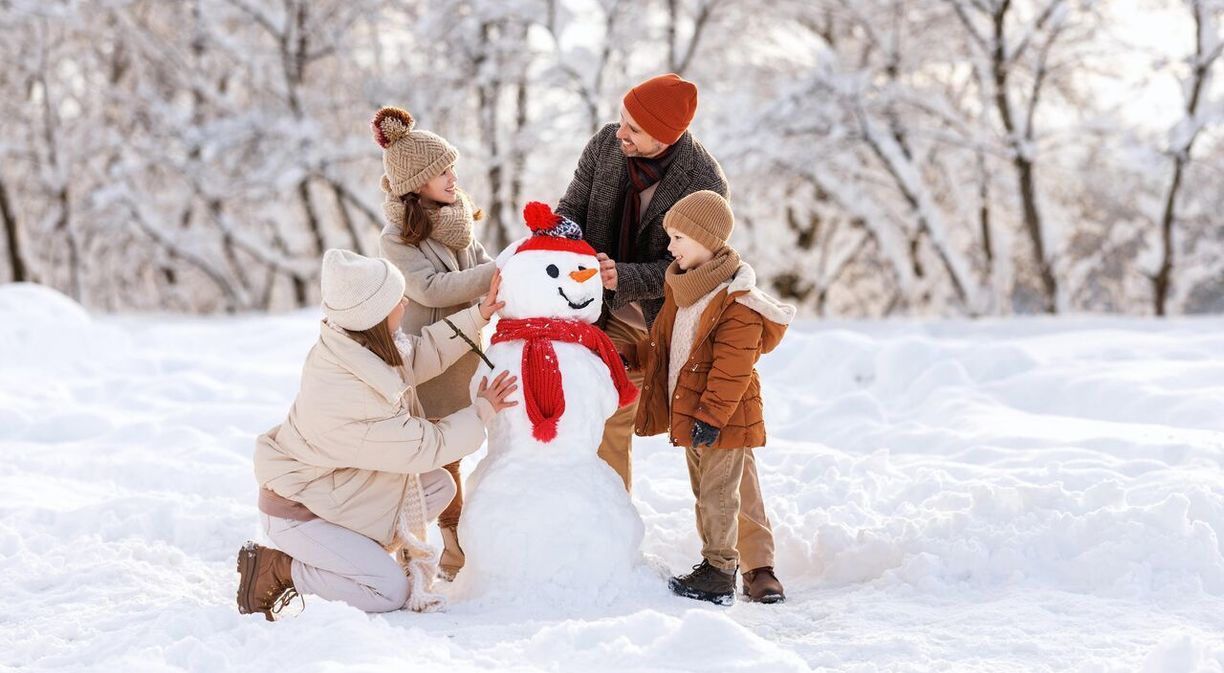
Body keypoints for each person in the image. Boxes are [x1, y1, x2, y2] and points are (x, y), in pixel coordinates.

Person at [235, 249, 516, 620]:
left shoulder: (360, 348)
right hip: (301, 513)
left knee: (438, 486)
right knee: (387, 591)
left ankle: (360, 556)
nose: (403, 303)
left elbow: (419, 355)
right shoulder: (348, 395)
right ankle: (279, 568)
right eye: (394, 300)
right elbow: (424, 446)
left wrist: (479, 314)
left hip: (338, 492)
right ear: (372, 316)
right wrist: (481, 410)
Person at [556, 72, 728, 494]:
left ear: (667, 136)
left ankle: (745, 551)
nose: (621, 133)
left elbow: (693, 268)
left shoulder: (704, 182)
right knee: (607, 412)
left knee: (713, 430)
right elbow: (573, 206)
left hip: (671, 318)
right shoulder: (605, 146)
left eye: (634, 128)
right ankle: (609, 527)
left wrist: (625, 275)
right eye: (621, 119)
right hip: (608, 312)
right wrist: (555, 236)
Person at [623, 191, 794, 604]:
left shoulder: (738, 301)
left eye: (678, 237)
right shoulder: (685, 292)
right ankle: (714, 562)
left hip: (721, 417)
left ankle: (720, 571)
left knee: (719, 495)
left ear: (706, 239)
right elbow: (667, 347)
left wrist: (712, 416)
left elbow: (731, 369)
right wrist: (628, 355)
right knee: (706, 493)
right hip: (692, 412)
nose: (669, 246)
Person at [372, 105, 497, 580]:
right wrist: (495, 275)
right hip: (431, 358)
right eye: (441, 171)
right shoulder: (397, 238)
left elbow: (480, 265)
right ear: (416, 181)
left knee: (462, 450)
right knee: (442, 456)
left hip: (467, 349)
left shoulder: (456, 219)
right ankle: (447, 549)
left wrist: (504, 271)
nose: (452, 177)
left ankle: (463, 544)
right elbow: (432, 289)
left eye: (452, 168)